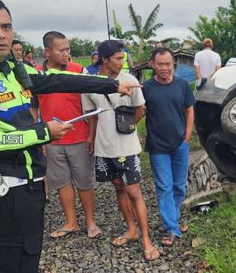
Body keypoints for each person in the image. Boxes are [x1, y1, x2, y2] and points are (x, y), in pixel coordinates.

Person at [0, 0, 139, 273]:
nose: (0, 35)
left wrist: (109, 84)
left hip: (30, 187)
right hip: (3, 193)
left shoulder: (13, 70)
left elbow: (58, 79)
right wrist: (43, 132)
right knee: (10, 263)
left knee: (29, 257)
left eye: (6, 27)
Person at [82, 40, 158, 260]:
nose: (121, 62)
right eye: (118, 59)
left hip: (127, 145)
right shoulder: (91, 83)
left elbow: (140, 110)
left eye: (123, 58)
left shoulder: (130, 80)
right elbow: (92, 116)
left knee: (134, 191)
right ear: (104, 59)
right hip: (104, 147)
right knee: (118, 187)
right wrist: (91, 137)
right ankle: (131, 229)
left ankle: (146, 239)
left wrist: (126, 127)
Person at [36, 31, 99, 240]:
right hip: (52, 139)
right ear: (47, 51)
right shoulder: (36, 75)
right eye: (61, 50)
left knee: (84, 181)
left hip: (79, 137)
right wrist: (39, 137)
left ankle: (90, 221)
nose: (66, 54)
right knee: (61, 181)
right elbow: (33, 108)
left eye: (68, 49)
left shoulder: (78, 70)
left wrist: (91, 134)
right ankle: (71, 222)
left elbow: (90, 104)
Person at [143, 48, 195, 247]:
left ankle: (172, 218)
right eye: (161, 64)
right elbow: (139, 112)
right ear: (153, 65)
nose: (165, 68)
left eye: (168, 64)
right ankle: (172, 228)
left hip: (180, 144)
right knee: (164, 186)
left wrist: (187, 136)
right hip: (158, 146)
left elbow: (190, 109)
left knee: (179, 186)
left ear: (173, 63)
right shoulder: (147, 88)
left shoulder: (182, 85)